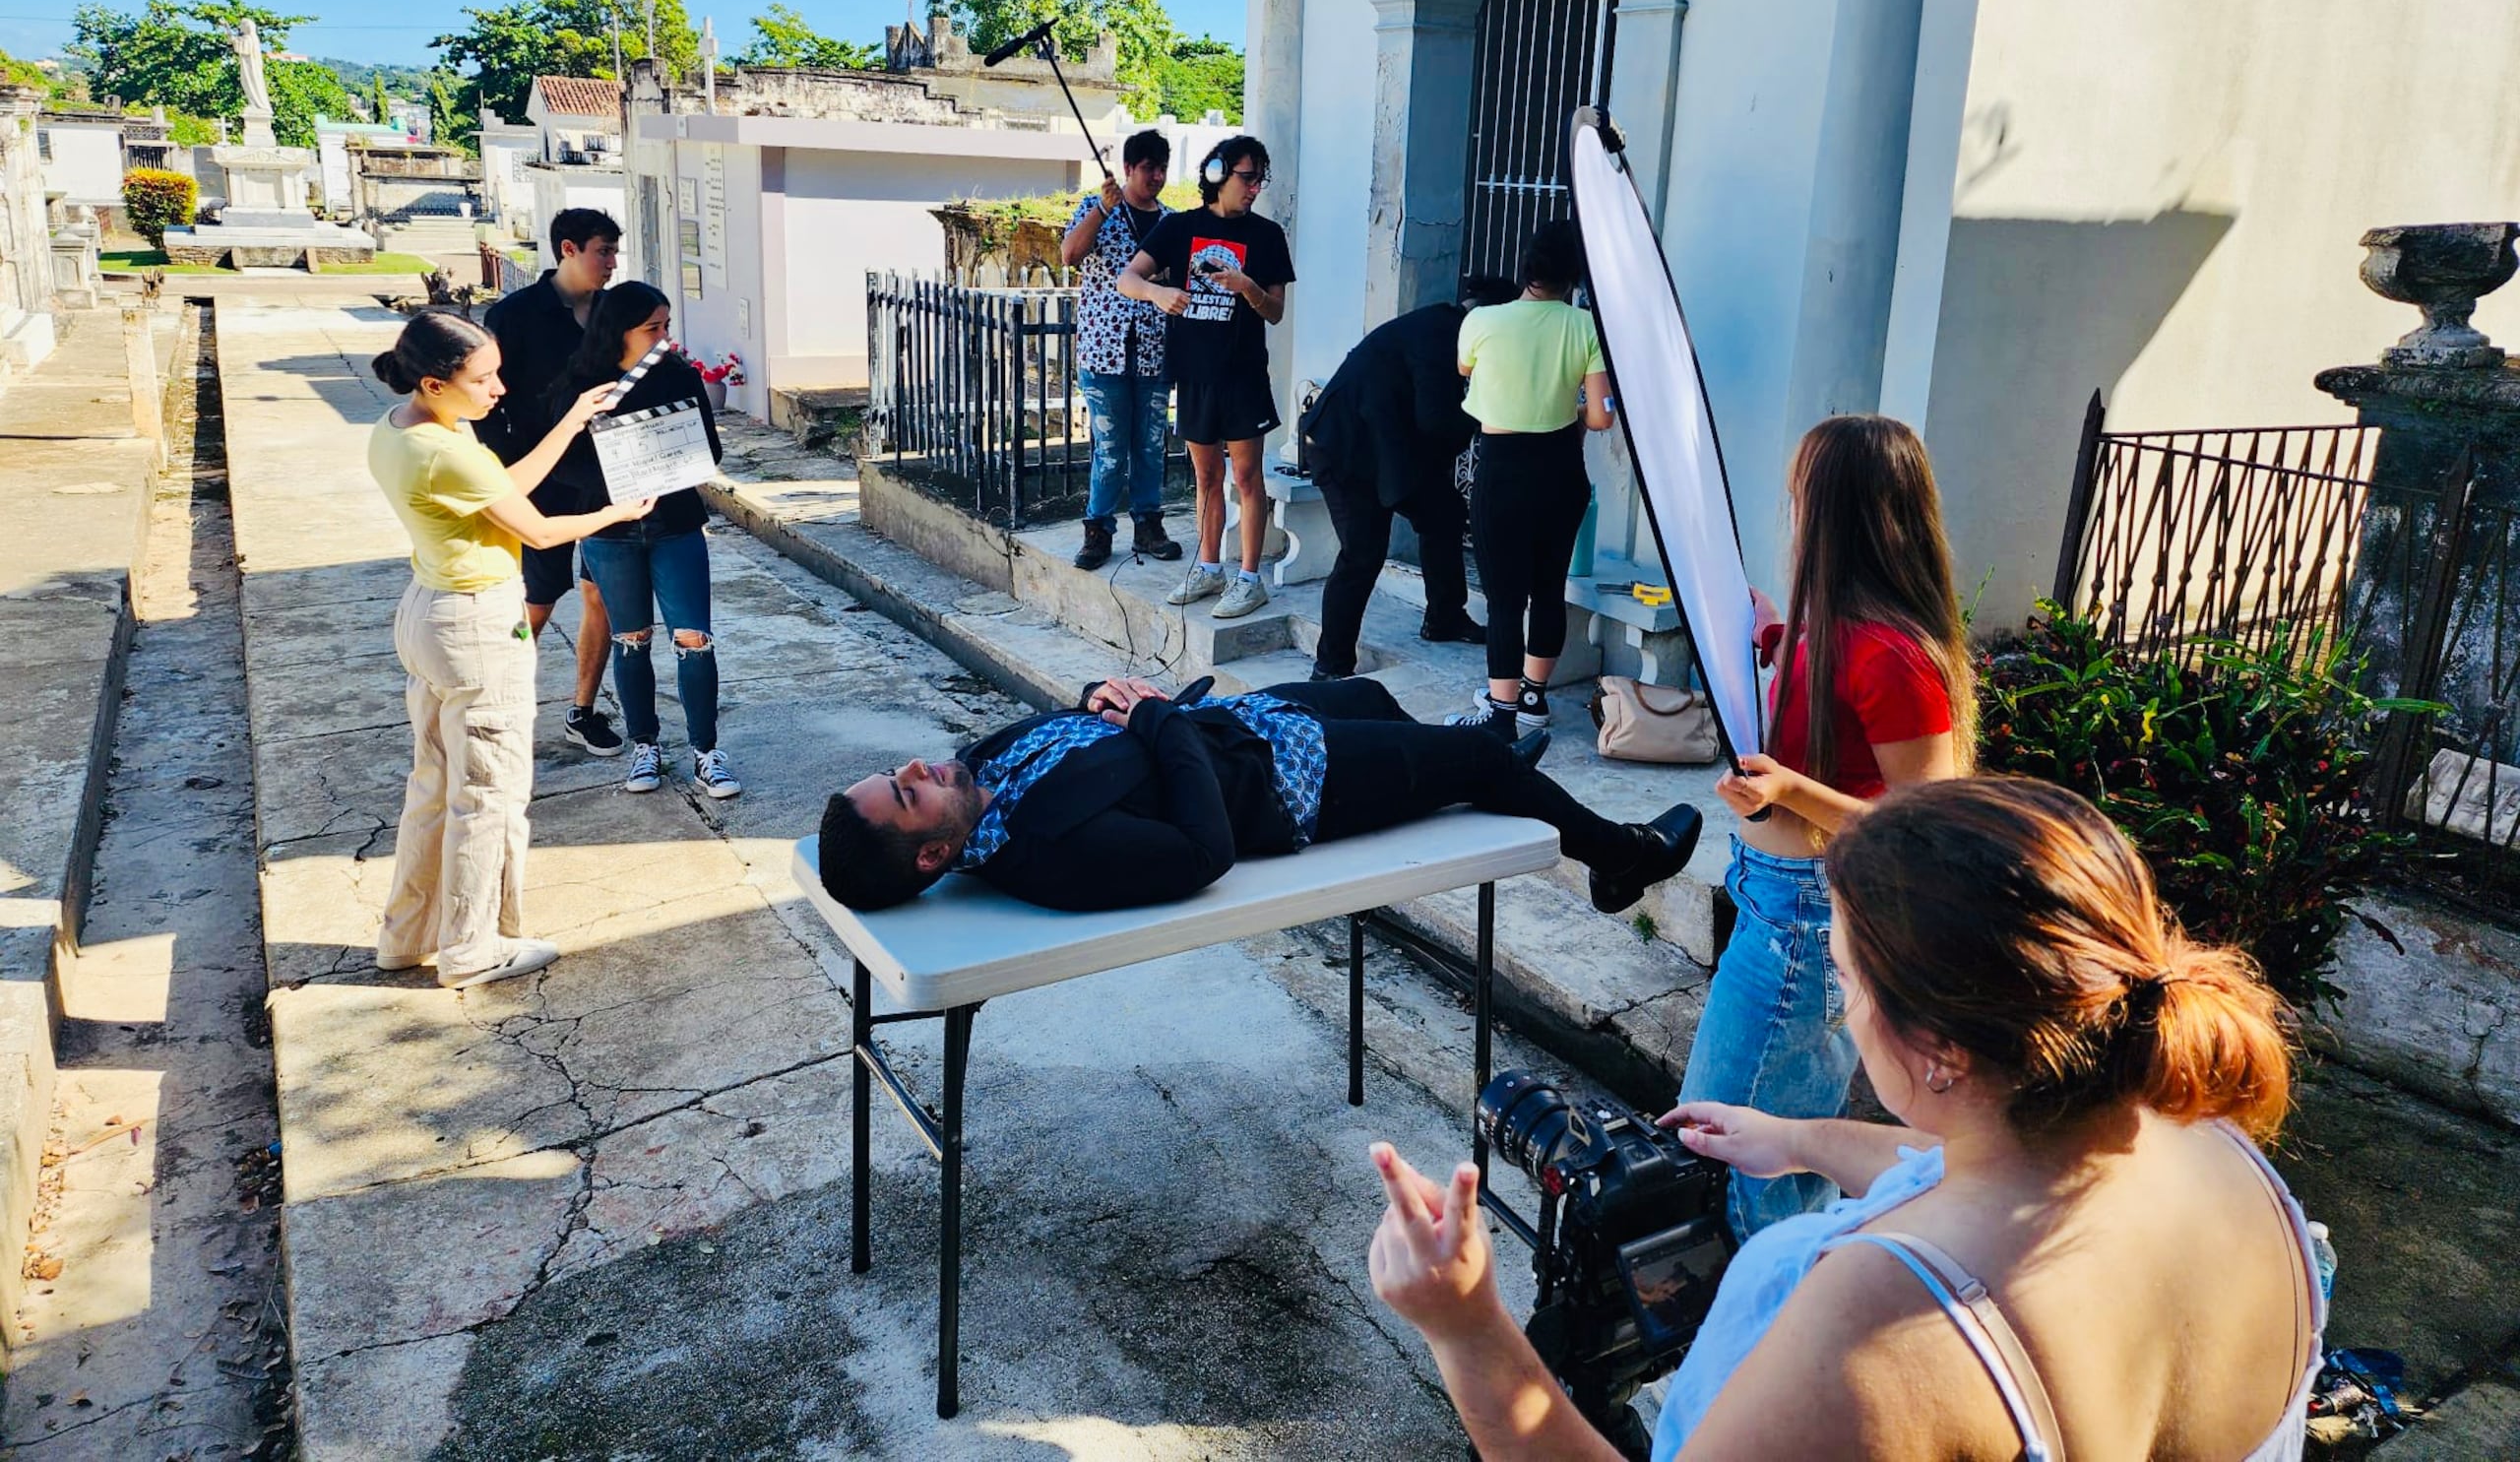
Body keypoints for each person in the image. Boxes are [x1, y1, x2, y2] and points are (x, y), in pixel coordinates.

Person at [1364, 778, 2320, 1462]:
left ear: (1938, 1048)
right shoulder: (2219, 1155)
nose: (1846, 1009)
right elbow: (1972, 1171)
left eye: (1848, 980)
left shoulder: (1870, 1331)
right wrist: (1798, 1139)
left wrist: (1466, 1329)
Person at [1680, 413, 1974, 1239]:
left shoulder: (1891, 653)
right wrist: (1773, 635)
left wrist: (1792, 790)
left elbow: (1926, 824)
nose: (1791, 509)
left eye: (1801, 495)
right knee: (1754, 1138)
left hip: (1808, 920)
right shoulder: (1838, 625)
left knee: (1733, 1144)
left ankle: (1774, 1323)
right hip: (1781, 905)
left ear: (1841, 512)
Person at [816, 674, 1700, 917]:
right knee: (1479, 768)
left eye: (904, 770)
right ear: (933, 854)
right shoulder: (1050, 850)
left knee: (1364, 693)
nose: (921, 769)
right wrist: (1156, 719)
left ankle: (1484, 760)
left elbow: (1081, 727)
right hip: (1284, 784)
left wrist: (1098, 697)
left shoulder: (974, 775)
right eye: (908, 793)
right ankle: (1620, 860)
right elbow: (1206, 853)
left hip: (1245, 725)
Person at [366, 309, 653, 988]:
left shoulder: (401, 430)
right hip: (474, 627)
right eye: (484, 378)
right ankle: (471, 950)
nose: (498, 389)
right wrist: (617, 512)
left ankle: (407, 936)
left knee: (434, 786)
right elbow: (541, 529)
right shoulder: (447, 451)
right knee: (487, 794)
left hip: (429, 614)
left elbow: (502, 489)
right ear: (436, 383)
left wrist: (572, 419)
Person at [542, 283, 738, 801]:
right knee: (631, 640)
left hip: (676, 524)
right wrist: (621, 484)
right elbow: (563, 463)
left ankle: (706, 752)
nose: (664, 336)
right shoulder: (582, 383)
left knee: (694, 638)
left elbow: (707, 449)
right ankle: (644, 745)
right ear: (618, 331)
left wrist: (663, 466)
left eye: (667, 325)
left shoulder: (679, 375)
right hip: (609, 531)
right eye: (653, 327)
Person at [1299, 274, 1518, 680]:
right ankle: (1331, 668)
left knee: (1444, 514)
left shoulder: (1443, 327)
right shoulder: (1441, 338)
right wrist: (1492, 415)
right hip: (1345, 447)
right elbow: (1436, 420)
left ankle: (1445, 617)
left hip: (1386, 446)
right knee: (1362, 554)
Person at [1450, 221, 1616, 740]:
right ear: (1574, 275)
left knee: (1503, 597)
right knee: (1548, 590)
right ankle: (1532, 700)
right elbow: (1600, 418)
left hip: (1501, 466)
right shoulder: (1586, 327)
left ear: (1526, 268)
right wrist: (1570, 396)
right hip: (1562, 469)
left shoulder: (1482, 319)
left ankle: (1501, 719)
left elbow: (1464, 367)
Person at [1118, 135, 1293, 623]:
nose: (1256, 188)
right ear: (1218, 173)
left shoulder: (1267, 236)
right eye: (1247, 177)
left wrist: (1249, 288)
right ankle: (1210, 566)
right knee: (1206, 476)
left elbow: (1276, 312)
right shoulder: (1180, 226)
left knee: (1246, 477)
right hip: (1194, 373)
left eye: (1261, 178)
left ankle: (1249, 579)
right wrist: (1157, 295)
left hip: (1242, 374)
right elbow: (1127, 278)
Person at [479, 207, 626, 758]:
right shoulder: (515, 315)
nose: (611, 263)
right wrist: (511, 469)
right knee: (536, 599)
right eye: (602, 251)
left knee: (602, 595)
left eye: (614, 252)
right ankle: (498, 709)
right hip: (538, 477)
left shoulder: (614, 310)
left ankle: (582, 712)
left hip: (607, 474)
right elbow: (487, 401)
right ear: (568, 249)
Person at [1058, 129, 1184, 570]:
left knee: (1151, 445)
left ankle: (1149, 524)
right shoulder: (1098, 210)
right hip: (1104, 351)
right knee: (1110, 447)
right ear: (1128, 168)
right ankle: (1098, 531)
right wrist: (1101, 209)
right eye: (1148, 167)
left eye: (1162, 168)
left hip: (1154, 350)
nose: (1157, 176)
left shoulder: (1171, 221)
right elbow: (1069, 254)